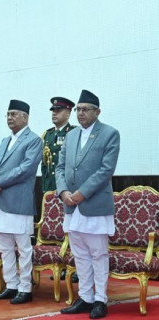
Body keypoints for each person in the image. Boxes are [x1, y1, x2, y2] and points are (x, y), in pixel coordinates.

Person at [57, 90, 120, 319]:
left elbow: (106, 170)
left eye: (85, 109)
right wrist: (63, 191)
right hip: (71, 206)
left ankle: (100, 300)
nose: (80, 113)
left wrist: (81, 193)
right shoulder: (71, 135)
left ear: (97, 111)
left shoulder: (110, 134)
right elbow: (59, 167)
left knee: (98, 254)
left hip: (93, 205)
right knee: (80, 254)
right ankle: (85, 297)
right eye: (78, 109)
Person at [0, 100, 42, 304]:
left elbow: (25, 169)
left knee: (23, 248)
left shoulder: (33, 140)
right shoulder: (4, 140)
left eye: (14, 114)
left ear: (25, 117)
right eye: (8, 114)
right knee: (5, 247)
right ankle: (11, 285)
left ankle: (25, 288)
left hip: (18, 201)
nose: (9, 117)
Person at [41, 97, 79, 283]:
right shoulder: (47, 135)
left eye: (58, 110)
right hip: (50, 190)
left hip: (69, 190)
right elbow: (45, 166)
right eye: (53, 110)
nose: (54, 113)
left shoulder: (74, 133)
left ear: (69, 112)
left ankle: (76, 265)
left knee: (72, 229)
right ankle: (60, 264)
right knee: (56, 229)